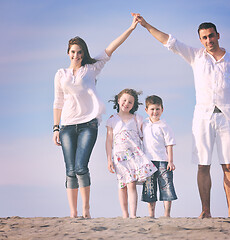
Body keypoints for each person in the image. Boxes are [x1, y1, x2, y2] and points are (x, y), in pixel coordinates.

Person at [134, 13, 230, 218]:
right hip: (202, 117)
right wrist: (145, 25)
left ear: (218, 35)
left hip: (226, 116)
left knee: (228, 165)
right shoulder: (196, 56)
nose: (209, 40)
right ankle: (205, 211)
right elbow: (169, 41)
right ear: (200, 40)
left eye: (211, 36)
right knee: (203, 164)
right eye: (204, 37)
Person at [52, 16, 139, 219]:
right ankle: (73, 213)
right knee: (70, 169)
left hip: (88, 125)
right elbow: (57, 102)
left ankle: (86, 209)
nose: (76, 55)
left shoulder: (91, 68)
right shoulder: (60, 74)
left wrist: (131, 28)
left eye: (80, 52)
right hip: (66, 126)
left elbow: (111, 48)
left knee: (81, 167)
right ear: (68, 53)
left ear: (84, 54)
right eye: (73, 52)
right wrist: (55, 128)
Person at [105, 89, 157, 218]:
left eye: (130, 102)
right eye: (124, 100)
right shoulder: (112, 120)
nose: (126, 103)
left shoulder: (137, 118)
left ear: (134, 104)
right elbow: (109, 141)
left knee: (131, 184)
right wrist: (109, 160)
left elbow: (144, 137)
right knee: (122, 185)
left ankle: (133, 214)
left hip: (134, 156)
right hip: (119, 157)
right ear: (118, 101)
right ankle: (125, 214)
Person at [141, 95, 177, 218]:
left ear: (162, 109)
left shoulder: (164, 126)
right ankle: (151, 215)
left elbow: (169, 144)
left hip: (163, 161)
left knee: (166, 186)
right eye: (152, 109)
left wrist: (170, 161)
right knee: (150, 188)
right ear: (146, 110)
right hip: (148, 161)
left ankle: (167, 214)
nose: (155, 112)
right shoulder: (144, 125)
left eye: (157, 109)